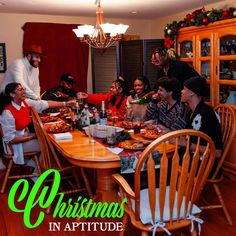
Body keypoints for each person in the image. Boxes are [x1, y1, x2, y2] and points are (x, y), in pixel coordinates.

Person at [0, 82, 75, 172]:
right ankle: (37, 172)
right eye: (20, 90)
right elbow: (10, 139)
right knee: (47, 144)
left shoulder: (25, 102)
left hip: (24, 136)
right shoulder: (7, 112)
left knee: (50, 140)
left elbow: (45, 103)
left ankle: (35, 164)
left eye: (23, 89)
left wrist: (66, 103)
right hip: (14, 145)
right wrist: (31, 137)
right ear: (12, 94)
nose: (24, 91)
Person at [181, 76, 223, 176]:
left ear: (192, 93)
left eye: (184, 89)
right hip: (192, 157)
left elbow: (217, 152)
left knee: (165, 163)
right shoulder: (193, 111)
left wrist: (187, 144)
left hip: (205, 165)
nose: (181, 91)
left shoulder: (206, 115)